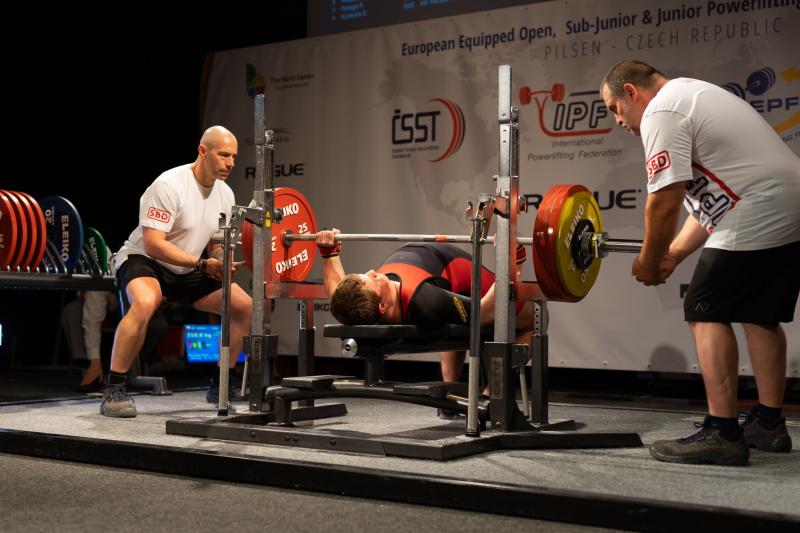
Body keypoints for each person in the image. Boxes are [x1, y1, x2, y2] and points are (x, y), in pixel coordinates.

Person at [600, 60, 800, 465]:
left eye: (614, 108)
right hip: (786, 200)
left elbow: (664, 200)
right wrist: (673, 255)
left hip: (758, 203)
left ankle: (722, 433)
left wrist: (648, 261)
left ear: (631, 93)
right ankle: (768, 423)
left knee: (704, 308)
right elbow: (712, 205)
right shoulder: (691, 94)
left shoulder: (662, 109)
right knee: (759, 314)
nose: (617, 120)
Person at [102, 125, 253, 418]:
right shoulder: (169, 185)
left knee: (244, 308)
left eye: (234, 156)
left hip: (187, 267)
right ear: (203, 151)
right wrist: (202, 264)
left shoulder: (225, 194)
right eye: (224, 155)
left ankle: (220, 384)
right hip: (145, 259)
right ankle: (114, 388)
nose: (231, 163)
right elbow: (154, 243)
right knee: (146, 302)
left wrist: (221, 261)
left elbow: (216, 243)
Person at [316, 231, 532, 417]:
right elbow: (486, 312)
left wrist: (329, 253)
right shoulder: (426, 299)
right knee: (537, 318)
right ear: (382, 306)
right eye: (371, 279)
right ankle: (490, 396)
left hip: (435, 257)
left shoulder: (349, 307)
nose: (372, 271)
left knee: (452, 313)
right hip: (451, 266)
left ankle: (450, 400)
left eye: (365, 275)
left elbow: (336, 292)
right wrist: (511, 259)